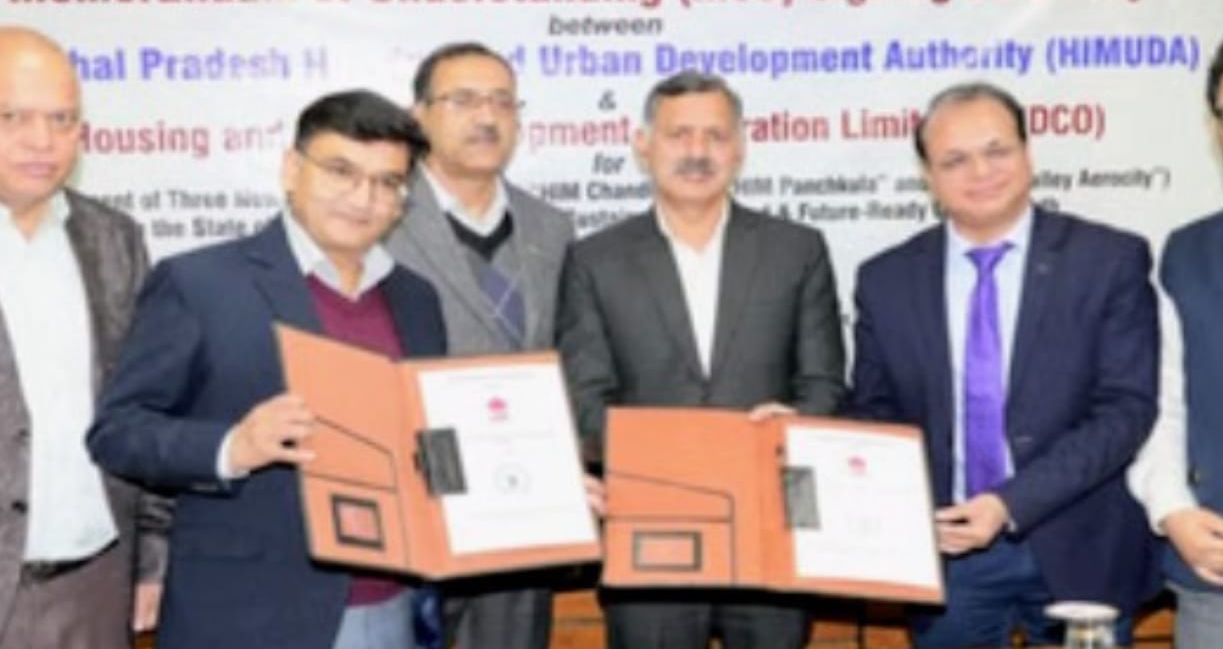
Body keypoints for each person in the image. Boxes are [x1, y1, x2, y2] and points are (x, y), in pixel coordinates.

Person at [87, 89, 445, 649]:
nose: (363, 198)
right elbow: (118, 432)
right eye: (341, 172)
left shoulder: (416, 298)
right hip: (248, 614)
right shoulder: (199, 283)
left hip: (392, 608)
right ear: (291, 169)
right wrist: (233, 446)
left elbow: (432, 444)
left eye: (387, 182)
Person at [849, 81, 1159, 648]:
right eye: (955, 160)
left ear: (1027, 153)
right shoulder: (885, 279)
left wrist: (1010, 504)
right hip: (946, 558)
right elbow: (874, 413)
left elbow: (1126, 410)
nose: (981, 172)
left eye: (997, 150)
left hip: (1080, 547)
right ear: (928, 176)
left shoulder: (1108, 260)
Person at [557, 70, 846, 649]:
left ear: (739, 148)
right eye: (678, 134)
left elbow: (823, 384)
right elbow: (585, 398)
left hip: (769, 528)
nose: (697, 151)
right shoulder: (595, 260)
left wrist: (793, 425)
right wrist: (677, 464)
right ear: (644, 146)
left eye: (715, 135)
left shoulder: (797, 249)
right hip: (649, 534)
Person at [386, 42, 573, 649]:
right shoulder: (378, 216)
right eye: (463, 100)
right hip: (411, 505)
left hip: (518, 509)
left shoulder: (551, 227)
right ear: (418, 116)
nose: (486, 117)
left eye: (502, 102)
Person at [0, 26, 166, 649]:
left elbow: (148, 404)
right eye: (12, 117)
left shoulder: (114, 239)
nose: (41, 140)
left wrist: (153, 552)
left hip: (96, 584)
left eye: (62, 119)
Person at [1128, 24, 1223, 648]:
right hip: (1215, 582)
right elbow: (1161, 405)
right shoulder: (1186, 252)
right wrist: (1173, 513)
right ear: (1217, 129)